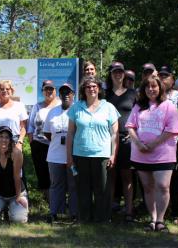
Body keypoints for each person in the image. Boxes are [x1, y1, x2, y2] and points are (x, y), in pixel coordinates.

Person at [126, 76, 178, 233]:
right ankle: (152, 219)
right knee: (148, 187)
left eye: (154, 86)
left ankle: (161, 220)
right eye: (148, 87)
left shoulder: (168, 106)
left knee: (163, 186)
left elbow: (172, 129)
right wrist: (138, 143)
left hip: (163, 154)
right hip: (141, 154)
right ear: (143, 89)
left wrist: (153, 144)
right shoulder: (138, 106)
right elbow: (130, 126)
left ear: (160, 88)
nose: (151, 89)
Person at [66, 76, 120, 223]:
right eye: (88, 86)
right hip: (80, 154)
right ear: (84, 90)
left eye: (94, 86)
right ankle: (84, 218)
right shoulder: (76, 107)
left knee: (102, 190)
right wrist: (69, 156)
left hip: (102, 155)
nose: (91, 89)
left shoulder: (108, 107)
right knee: (83, 190)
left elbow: (114, 133)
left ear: (99, 88)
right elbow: (70, 133)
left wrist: (113, 154)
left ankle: (102, 219)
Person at [104, 62, 137, 222]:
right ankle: (108, 210)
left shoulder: (133, 94)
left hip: (127, 140)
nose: (118, 74)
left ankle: (129, 211)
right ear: (110, 74)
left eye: (121, 72)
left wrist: (134, 134)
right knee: (110, 176)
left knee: (127, 177)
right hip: (107, 139)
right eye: (115, 72)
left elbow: (140, 116)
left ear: (124, 74)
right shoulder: (104, 94)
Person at [43, 83, 78, 223]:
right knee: (56, 185)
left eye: (68, 92)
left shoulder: (77, 110)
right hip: (55, 155)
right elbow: (47, 133)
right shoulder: (52, 111)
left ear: (73, 94)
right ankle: (55, 212)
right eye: (63, 92)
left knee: (74, 185)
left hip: (74, 156)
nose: (65, 95)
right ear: (59, 95)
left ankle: (74, 213)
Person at [158, 65, 178, 224]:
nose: (163, 79)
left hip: (176, 144)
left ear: (172, 79)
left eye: (166, 76)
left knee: (175, 178)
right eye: (161, 76)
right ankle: (161, 211)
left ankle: (176, 212)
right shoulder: (154, 95)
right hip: (156, 144)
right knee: (158, 179)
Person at [0, 126, 28, 223]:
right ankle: (0, 212)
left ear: (10, 139)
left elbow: (17, 177)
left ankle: (13, 211)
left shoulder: (17, 153)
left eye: (7, 137)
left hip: (15, 193)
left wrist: (19, 196)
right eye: (1, 136)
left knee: (18, 220)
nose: (4, 139)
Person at [27, 80, 61, 201]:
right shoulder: (37, 106)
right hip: (39, 144)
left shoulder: (61, 105)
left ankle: (59, 198)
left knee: (57, 173)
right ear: (42, 91)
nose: (48, 91)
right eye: (46, 89)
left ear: (55, 91)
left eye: (51, 89)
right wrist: (32, 142)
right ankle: (49, 200)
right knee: (42, 173)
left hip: (57, 145)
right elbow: (30, 126)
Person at [0, 80, 28, 151]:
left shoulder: (19, 106)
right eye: (2, 89)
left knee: (13, 162)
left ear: (12, 91)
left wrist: (20, 142)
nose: (4, 91)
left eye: (7, 89)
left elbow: (23, 127)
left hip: (14, 141)